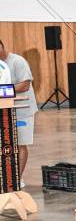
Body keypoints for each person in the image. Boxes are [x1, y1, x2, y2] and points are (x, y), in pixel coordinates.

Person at [0, 41, 38, 186]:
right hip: (4, 111)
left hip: (23, 111)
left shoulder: (17, 61)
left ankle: (17, 179)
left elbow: (24, 85)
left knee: (21, 144)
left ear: (2, 47)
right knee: (6, 145)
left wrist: (3, 90)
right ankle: (7, 176)